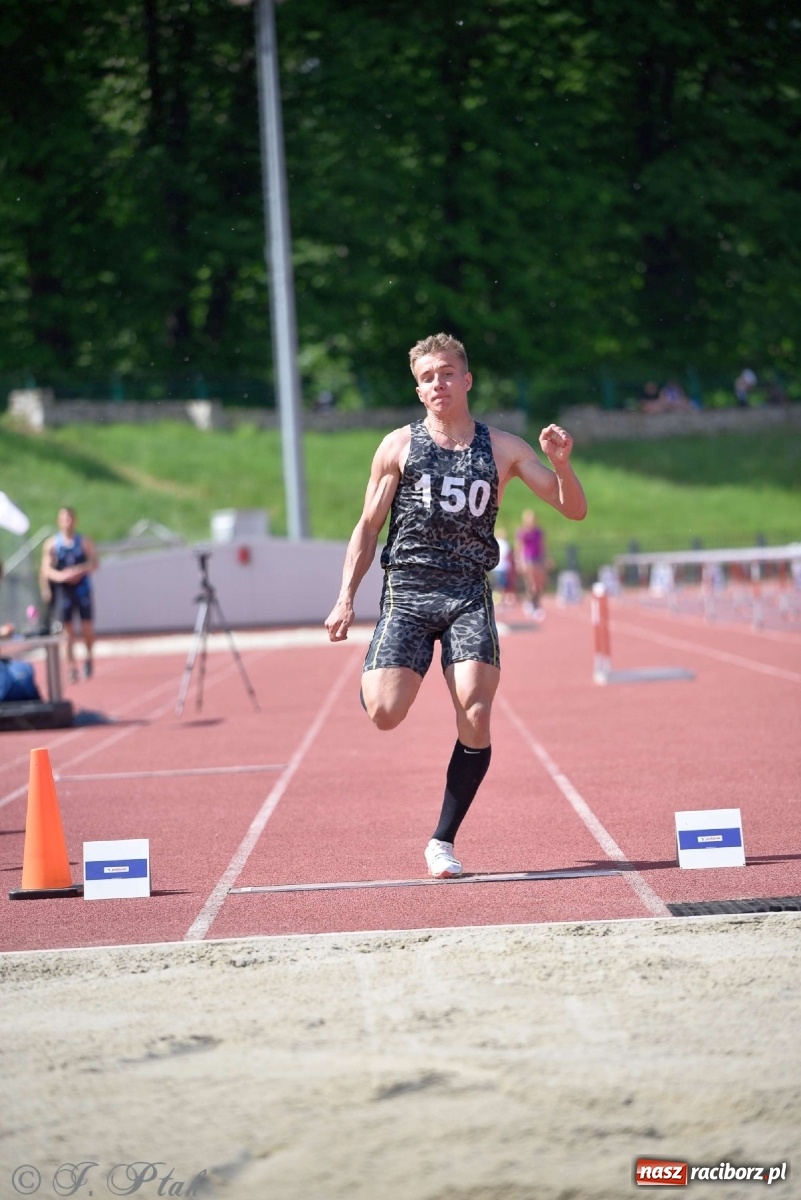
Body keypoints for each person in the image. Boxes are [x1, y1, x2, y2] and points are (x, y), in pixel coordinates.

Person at [324, 332, 587, 879]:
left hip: (468, 590)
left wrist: (560, 464)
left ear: (466, 380)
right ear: (418, 390)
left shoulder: (505, 448)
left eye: (446, 373)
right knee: (385, 713)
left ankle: (442, 840)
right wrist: (346, 596)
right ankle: (382, 671)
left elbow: (573, 509)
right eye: (426, 378)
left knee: (475, 707)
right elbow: (368, 526)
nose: (437, 384)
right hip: (409, 590)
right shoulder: (397, 446)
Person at [41, 506, 98, 683]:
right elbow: (46, 570)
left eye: (70, 518)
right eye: (64, 518)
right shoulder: (52, 544)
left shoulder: (84, 542)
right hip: (64, 591)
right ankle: (71, 666)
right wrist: (59, 578)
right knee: (67, 632)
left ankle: (88, 657)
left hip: (82, 589)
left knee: (86, 627)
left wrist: (79, 571)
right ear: (59, 521)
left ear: (75, 520)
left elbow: (95, 563)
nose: (67, 522)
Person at [515, 508, 548, 620]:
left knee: (540, 584)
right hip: (528, 559)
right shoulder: (522, 532)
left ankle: (536, 603)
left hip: (538, 558)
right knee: (532, 584)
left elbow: (542, 546)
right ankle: (532, 605)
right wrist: (520, 561)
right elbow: (519, 547)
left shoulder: (538, 532)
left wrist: (546, 558)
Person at [491, 527, 517, 607]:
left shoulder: (494, 542)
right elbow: (507, 555)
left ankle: (498, 600)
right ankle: (500, 600)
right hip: (502, 567)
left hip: (496, 567)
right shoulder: (504, 543)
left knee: (498, 584)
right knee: (501, 585)